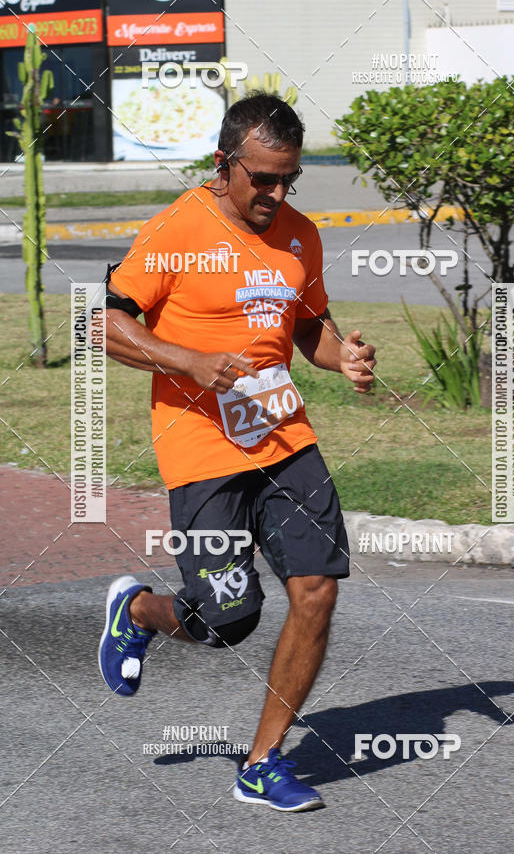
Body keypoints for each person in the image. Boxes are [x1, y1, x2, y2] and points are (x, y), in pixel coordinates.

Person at [98, 92, 376, 811]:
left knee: (317, 589)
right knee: (228, 619)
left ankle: (261, 763)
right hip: (202, 448)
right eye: (264, 179)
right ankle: (140, 613)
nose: (277, 194)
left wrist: (340, 356)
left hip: (285, 437)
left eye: (288, 180)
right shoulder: (176, 230)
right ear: (226, 167)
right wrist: (184, 360)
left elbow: (308, 325)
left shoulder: (299, 236)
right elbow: (104, 327)